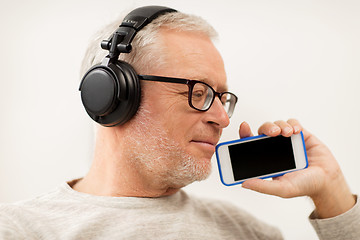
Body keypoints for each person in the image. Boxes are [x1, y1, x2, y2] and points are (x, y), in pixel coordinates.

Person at [1, 6, 359, 240]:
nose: (221, 118)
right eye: (199, 92)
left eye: (223, 98)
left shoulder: (249, 232)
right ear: (113, 95)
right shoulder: (20, 230)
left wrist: (332, 192)